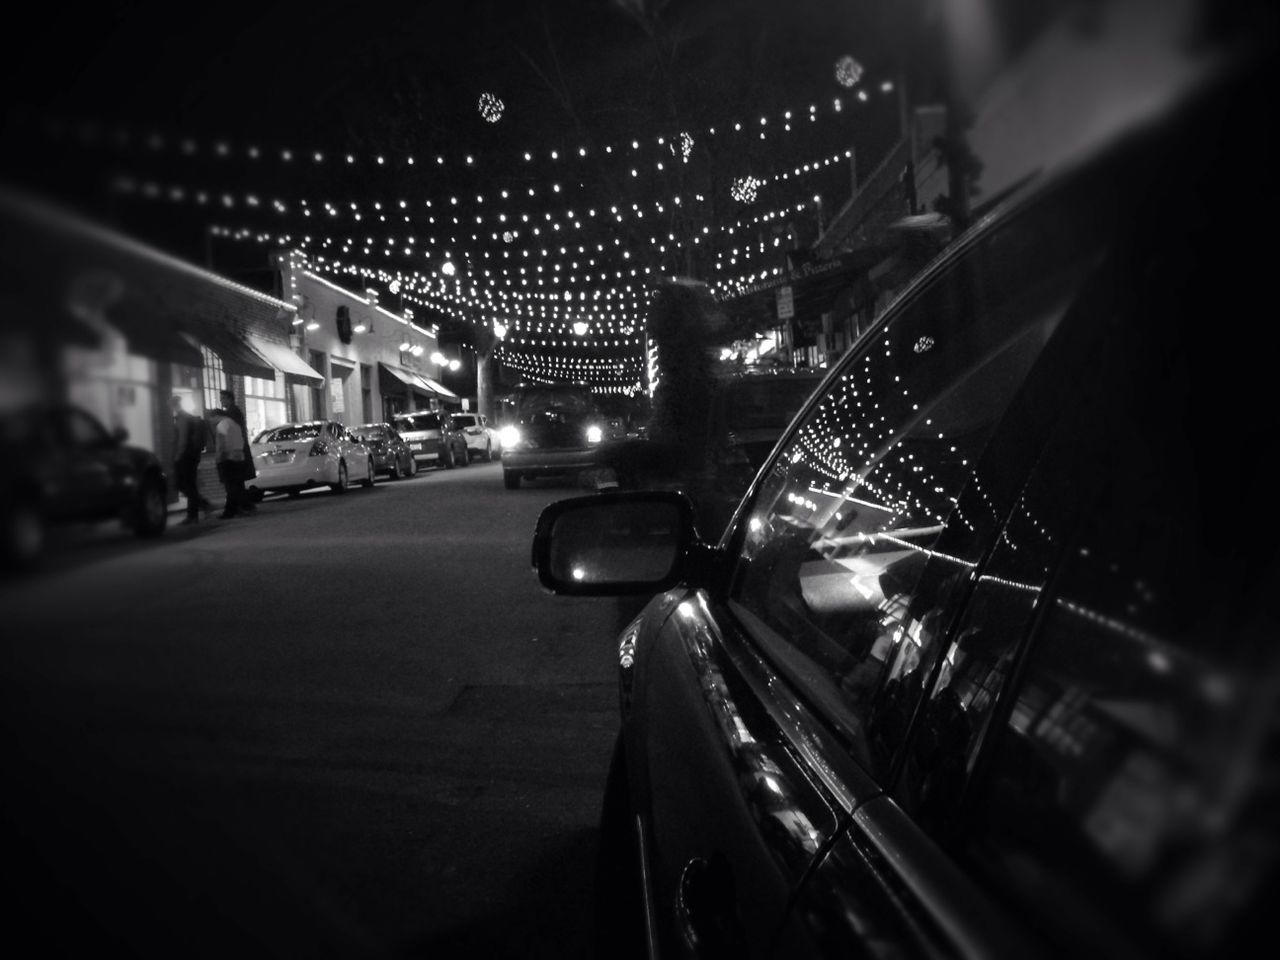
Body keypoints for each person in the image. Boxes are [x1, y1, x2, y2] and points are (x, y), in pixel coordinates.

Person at [169, 394, 212, 524]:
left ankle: (193, 514)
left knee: (184, 484)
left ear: (174, 404)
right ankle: (201, 506)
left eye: (170, 404)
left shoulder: (182, 418)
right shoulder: (186, 417)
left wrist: (177, 456)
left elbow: (182, 439)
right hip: (191, 455)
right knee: (188, 485)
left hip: (185, 456)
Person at [219, 387, 257, 514]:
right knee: (236, 481)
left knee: (233, 481)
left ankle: (239, 507)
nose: (221, 401)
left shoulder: (232, 413)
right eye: (221, 399)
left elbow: (233, 432)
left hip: (235, 451)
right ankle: (238, 507)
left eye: (223, 398)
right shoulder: (233, 412)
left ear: (230, 399)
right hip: (237, 450)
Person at [210, 407, 252, 518]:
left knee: (230, 486)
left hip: (227, 459)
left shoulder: (222, 425)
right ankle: (235, 509)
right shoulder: (235, 425)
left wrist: (220, 457)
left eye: (211, 419)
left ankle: (234, 510)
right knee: (237, 485)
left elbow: (223, 443)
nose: (211, 422)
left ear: (216, 416)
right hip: (238, 457)